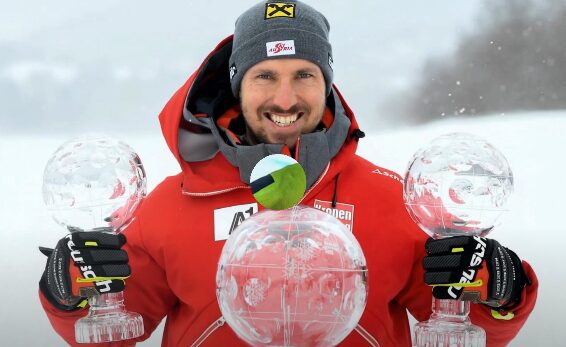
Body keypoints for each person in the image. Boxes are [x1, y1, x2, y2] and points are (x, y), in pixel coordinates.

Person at [39, 1, 537, 346]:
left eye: (304, 74)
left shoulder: (397, 200)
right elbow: (114, 330)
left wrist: (500, 288)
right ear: (236, 85)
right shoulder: (171, 206)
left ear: (327, 84)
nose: (284, 99)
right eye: (265, 77)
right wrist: (71, 292)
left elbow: (462, 326)